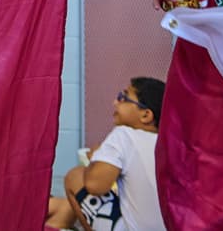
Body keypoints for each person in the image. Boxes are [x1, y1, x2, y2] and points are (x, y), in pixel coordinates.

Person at [46, 77, 167, 231]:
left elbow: (95, 185)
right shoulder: (173, 146)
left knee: (76, 176)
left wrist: (95, 158)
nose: (115, 103)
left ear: (146, 115)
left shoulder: (125, 135)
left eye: (123, 98)